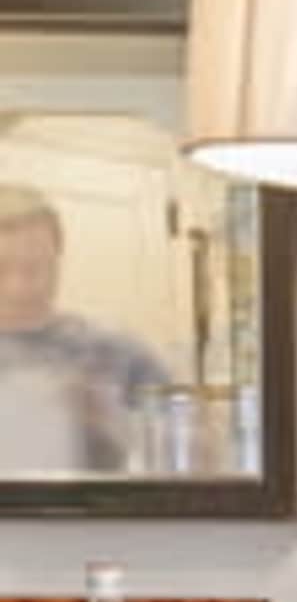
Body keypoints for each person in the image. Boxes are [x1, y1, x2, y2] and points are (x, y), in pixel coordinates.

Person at [0, 184, 175, 479]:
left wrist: (109, 420)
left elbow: (186, 459)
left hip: (105, 523)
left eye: (34, 269)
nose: (18, 288)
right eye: (1, 269)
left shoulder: (120, 353)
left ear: (58, 257)